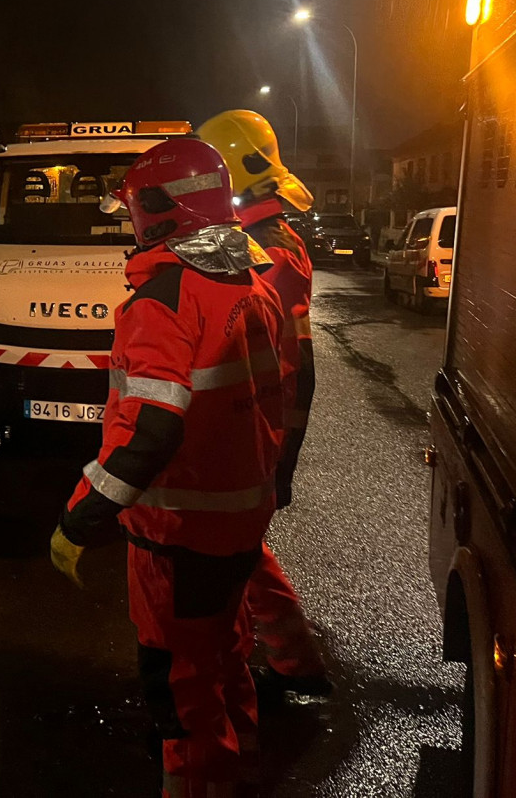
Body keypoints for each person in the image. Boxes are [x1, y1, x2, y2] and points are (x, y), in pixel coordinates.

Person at [50, 136, 285, 798]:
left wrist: (79, 518)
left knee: (179, 687)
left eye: (132, 209)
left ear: (159, 211)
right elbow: (283, 394)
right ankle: (238, 773)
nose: (130, 222)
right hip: (240, 523)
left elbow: (148, 432)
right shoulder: (253, 285)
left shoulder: (160, 302)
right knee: (226, 656)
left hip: (177, 533)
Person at [197, 109, 330, 698]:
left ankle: (277, 669)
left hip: (253, 417)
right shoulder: (275, 236)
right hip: (264, 412)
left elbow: (231, 337)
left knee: (230, 551)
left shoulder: (258, 249)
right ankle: (291, 660)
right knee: (243, 547)